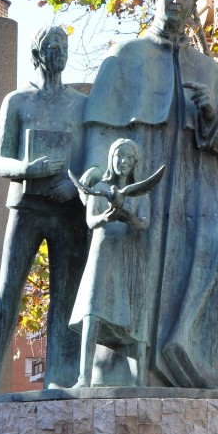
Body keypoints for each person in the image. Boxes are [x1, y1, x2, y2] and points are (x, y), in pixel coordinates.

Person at [82, 0, 218, 388]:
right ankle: (131, 369)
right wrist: (101, 183)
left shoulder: (207, 68)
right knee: (139, 258)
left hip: (196, 184)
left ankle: (191, 353)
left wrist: (214, 113)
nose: (175, 1)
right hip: (139, 180)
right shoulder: (128, 57)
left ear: (193, 8)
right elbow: (100, 131)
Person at [0, 26, 88, 395]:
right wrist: (27, 170)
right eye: (52, 48)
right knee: (7, 291)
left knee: (67, 298)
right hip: (27, 206)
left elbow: (92, 160)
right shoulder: (17, 101)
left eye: (64, 47)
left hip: (68, 210)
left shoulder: (81, 104)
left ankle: (61, 377)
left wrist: (73, 186)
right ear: (38, 54)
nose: (59, 53)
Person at [69, 138, 163, 387]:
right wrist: (106, 217)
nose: (124, 162)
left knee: (136, 316)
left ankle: (140, 381)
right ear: (112, 158)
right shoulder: (100, 188)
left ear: (135, 164)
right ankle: (83, 378)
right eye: (120, 156)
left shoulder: (140, 192)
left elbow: (144, 222)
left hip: (129, 254)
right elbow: (90, 221)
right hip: (103, 252)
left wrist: (130, 217)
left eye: (130, 159)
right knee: (92, 310)